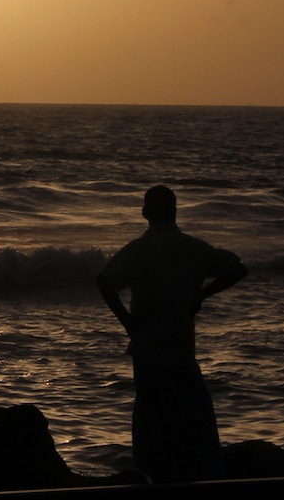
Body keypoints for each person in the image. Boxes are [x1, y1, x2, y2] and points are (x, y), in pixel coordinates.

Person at [96, 185, 247, 483]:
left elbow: (104, 280)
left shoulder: (141, 249)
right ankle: (202, 475)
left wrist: (127, 322)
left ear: (145, 213)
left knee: (150, 421)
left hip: (148, 348)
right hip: (181, 348)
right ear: (175, 212)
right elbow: (237, 269)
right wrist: (201, 295)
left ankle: (154, 479)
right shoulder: (194, 248)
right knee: (193, 419)